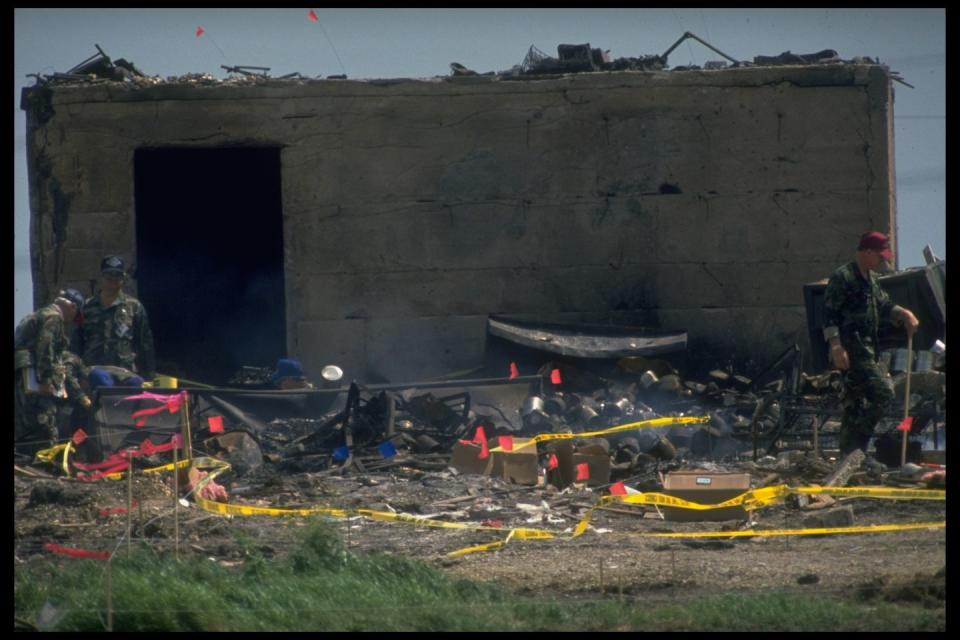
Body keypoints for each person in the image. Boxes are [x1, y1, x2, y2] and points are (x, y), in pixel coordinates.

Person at [822, 231, 919, 455]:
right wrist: (836, 346)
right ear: (867, 252)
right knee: (884, 393)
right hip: (851, 349)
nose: (883, 261)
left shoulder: (872, 279)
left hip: (869, 348)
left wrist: (903, 313)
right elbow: (828, 315)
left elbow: (883, 305)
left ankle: (851, 456)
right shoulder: (843, 277)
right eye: (880, 256)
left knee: (855, 404)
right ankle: (859, 446)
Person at [14, 289, 88, 457]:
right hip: (34, 378)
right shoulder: (54, 318)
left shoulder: (40, 313)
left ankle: (25, 458)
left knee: (23, 420)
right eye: (74, 315)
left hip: (23, 374)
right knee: (44, 420)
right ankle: (44, 460)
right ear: (73, 307)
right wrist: (46, 379)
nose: (71, 321)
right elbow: (45, 347)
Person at [73, 255, 157, 381]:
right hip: (93, 373)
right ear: (101, 277)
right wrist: (75, 374)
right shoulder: (87, 307)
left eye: (117, 276)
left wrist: (149, 375)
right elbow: (76, 342)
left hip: (125, 374)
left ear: (123, 278)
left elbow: (144, 343)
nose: (113, 279)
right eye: (109, 276)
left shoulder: (134, 307)